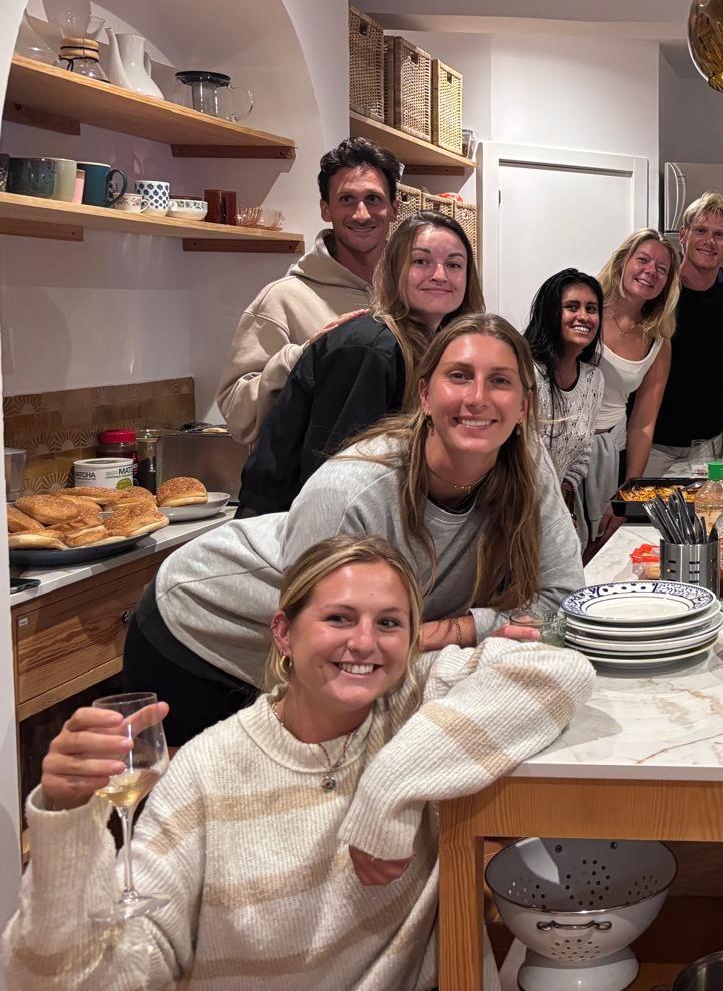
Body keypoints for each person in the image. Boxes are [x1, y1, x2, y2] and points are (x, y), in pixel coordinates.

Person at [4, 534, 594, 990]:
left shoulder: (415, 706)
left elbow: (559, 671)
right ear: (284, 634)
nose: (364, 642)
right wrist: (65, 820)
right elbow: (78, 978)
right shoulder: (210, 770)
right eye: (339, 619)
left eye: (389, 623)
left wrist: (386, 791)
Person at [123, 314, 586, 745]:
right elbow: (328, 645)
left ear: (525, 406)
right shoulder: (353, 491)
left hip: (327, 656)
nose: (478, 398)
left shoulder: (527, 467)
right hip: (201, 629)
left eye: (499, 381)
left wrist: (460, 628)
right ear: (425, 395)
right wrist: (456, 633)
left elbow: (564, 605)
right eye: (460, 375)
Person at [237, 212, 483, 516]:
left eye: (454, 265)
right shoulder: (369, 347)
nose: (439, 274)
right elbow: (340, 481)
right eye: (421, 261)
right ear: (395, 268)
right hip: (303, 534)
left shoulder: (435, 346)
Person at [217, 138, 400, 445]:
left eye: (373, 199)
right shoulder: (283, 300)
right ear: (325, 209)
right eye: (346, 199)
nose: (361, 214)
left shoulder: (414, 296)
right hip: (315, 488)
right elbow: (238, 415)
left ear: (394, 208)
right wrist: (303, 357)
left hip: (402, 484)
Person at [579, 230, 678, 540]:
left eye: (662, 269)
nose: (651, 271)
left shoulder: (657, 340)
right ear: (623, 262)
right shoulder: (586, 310)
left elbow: (643, 424)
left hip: (611, 454)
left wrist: (628, 492)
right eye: (643, 260)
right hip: (560, 447)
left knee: (598, 546)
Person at [648, 192, 723, 474]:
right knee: (643, 518)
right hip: (650, 443)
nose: (709, 241)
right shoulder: (658, 288)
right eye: (701, 230)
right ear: (683, 235)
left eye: (720, 234)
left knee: (707, 515)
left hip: (709, 446)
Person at [524, 268, 606, 513]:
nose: (584, 316)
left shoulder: (594, 379)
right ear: (550, 312)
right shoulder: (523, 370)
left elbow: (583, 452)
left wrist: (562, 502)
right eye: (572, 307)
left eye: (592, 309)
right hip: (512, 511)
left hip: (555, 511)